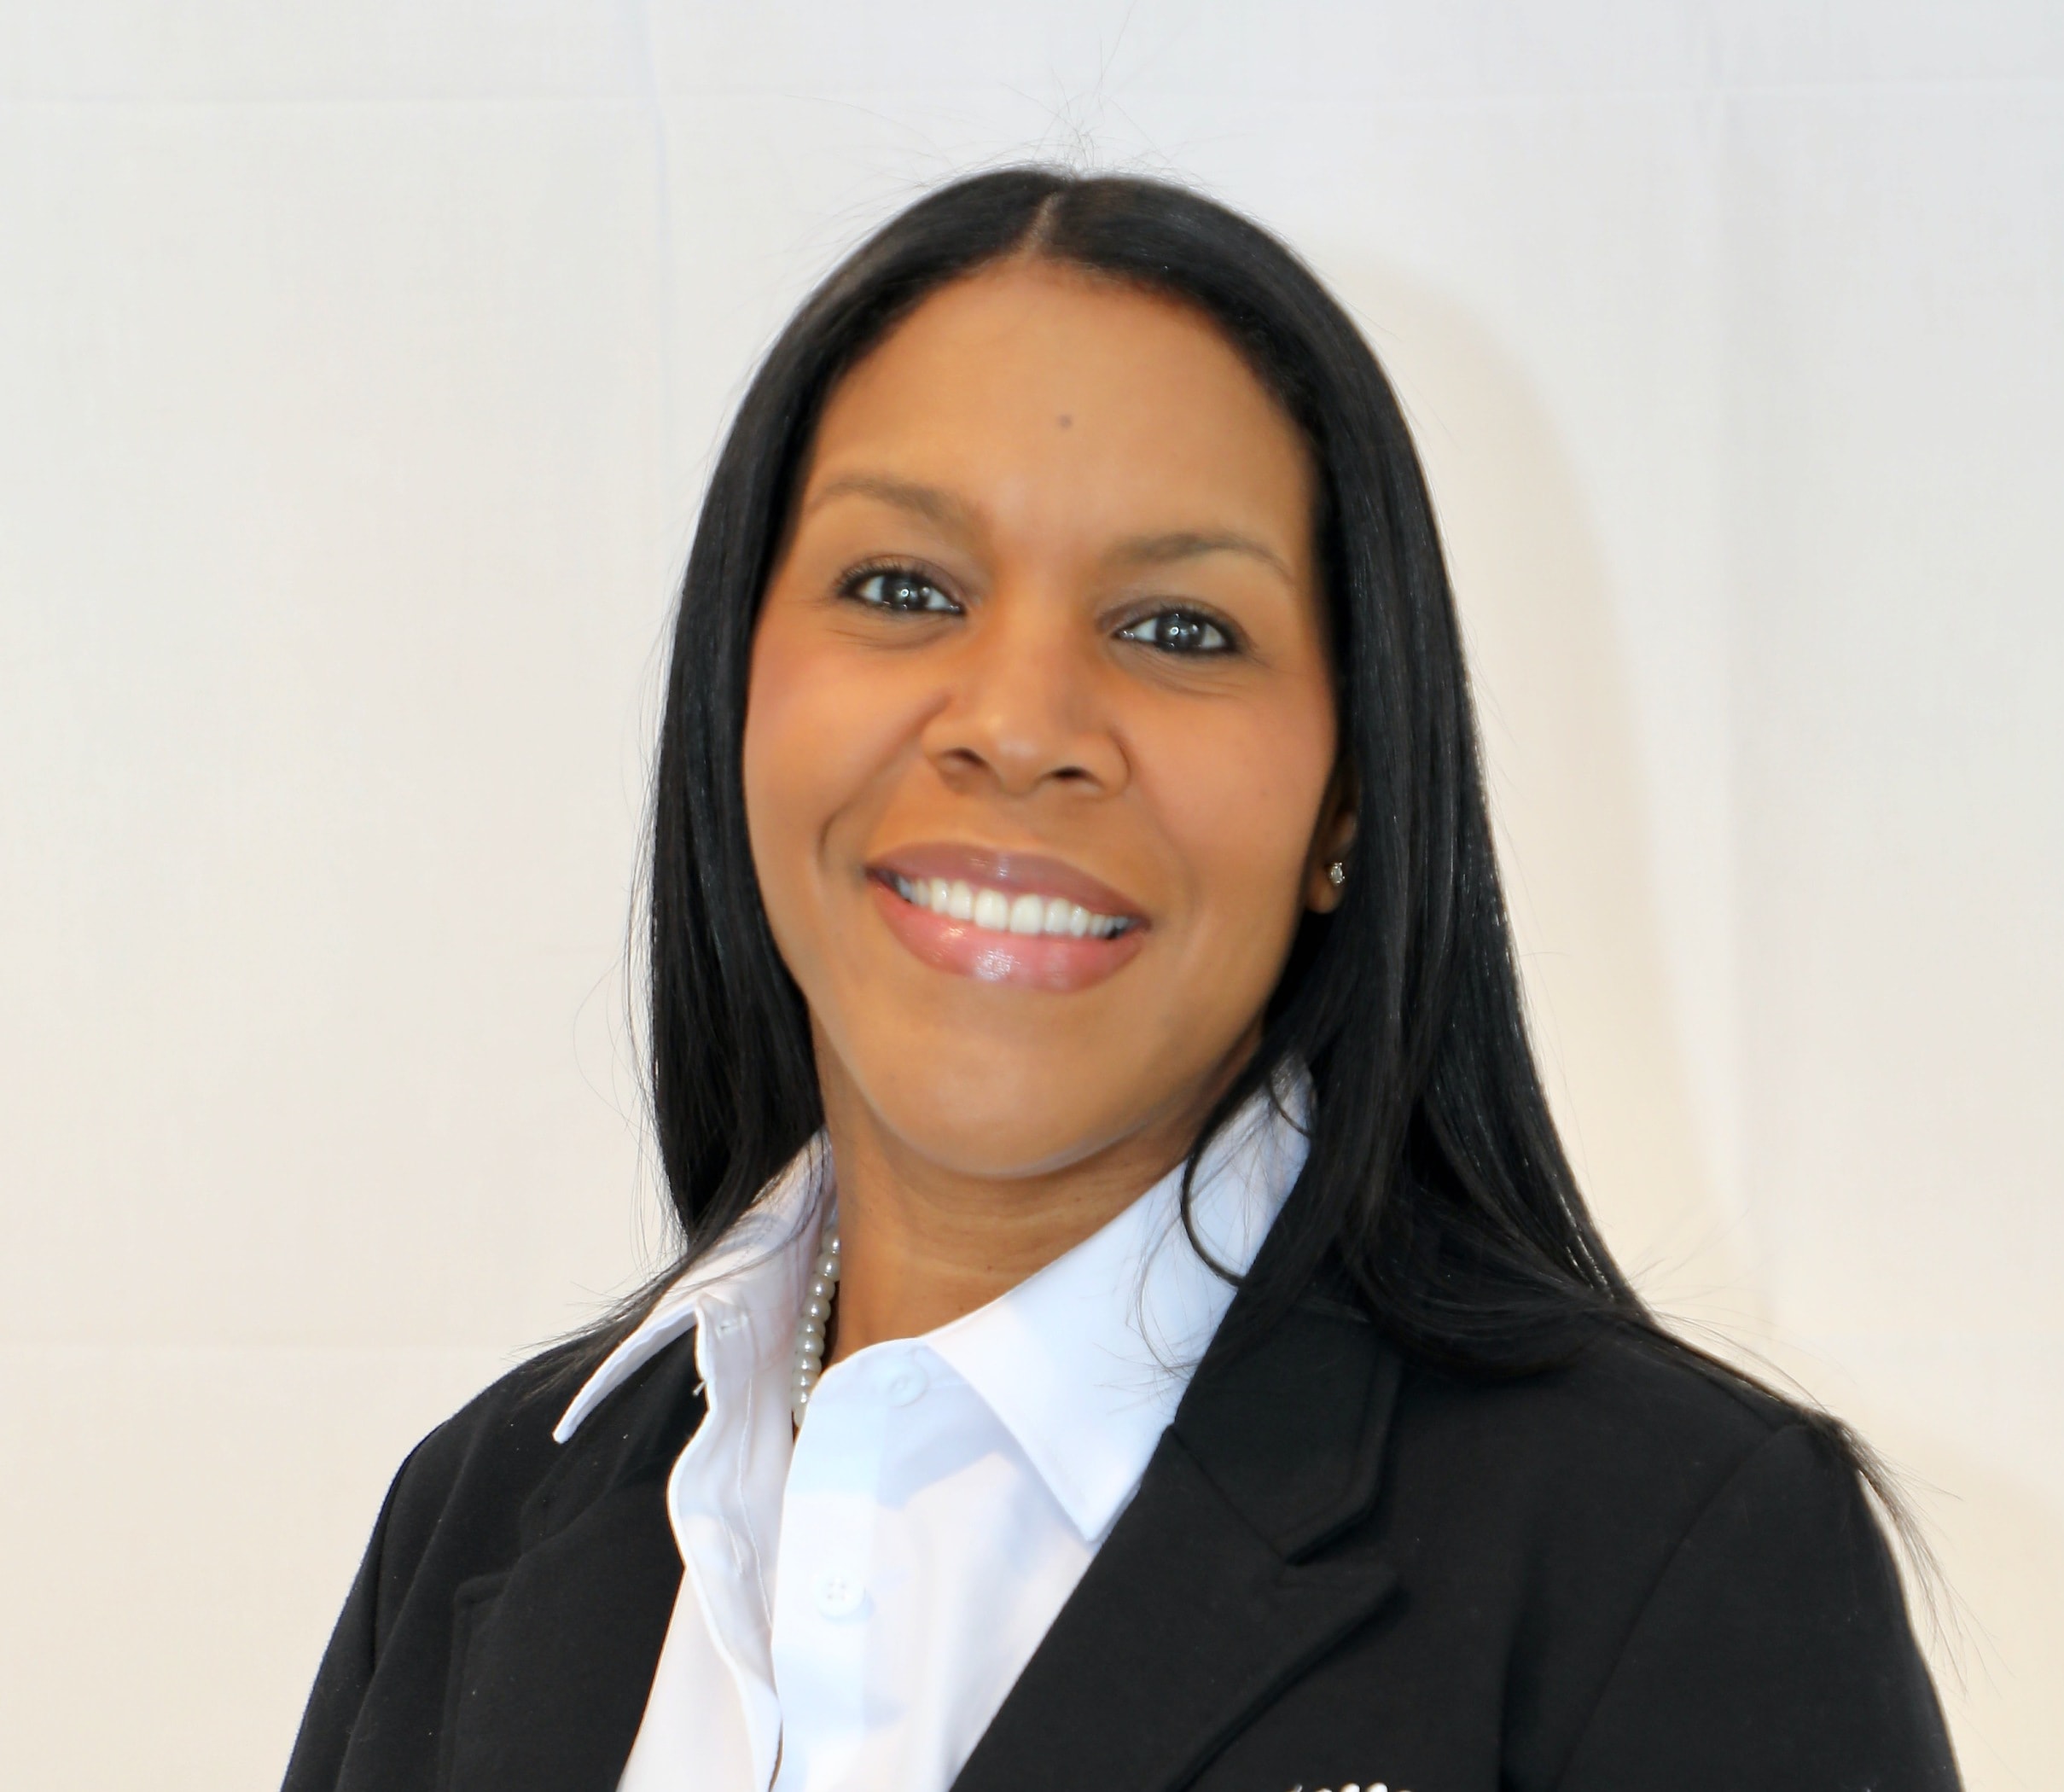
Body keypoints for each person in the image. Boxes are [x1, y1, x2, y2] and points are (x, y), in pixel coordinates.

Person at [282, 168, 1960, 1792]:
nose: (1018, 726)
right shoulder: (479, 1519)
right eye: (900, 589)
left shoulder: (1669, 1559)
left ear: (1349, 801)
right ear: (736, 695)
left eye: (1176, 628)